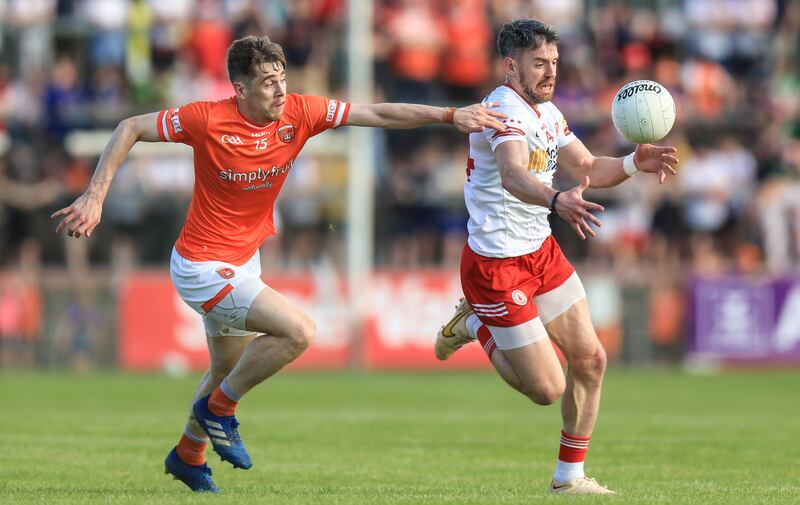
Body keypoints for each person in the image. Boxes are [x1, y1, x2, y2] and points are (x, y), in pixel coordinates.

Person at [51, 35, 506, 493]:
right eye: (268, 83)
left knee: (223, 369)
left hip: (244, 262)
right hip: (200, 266)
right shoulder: (206, 119)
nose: (280, 90)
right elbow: (129, 126)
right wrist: (95, 195)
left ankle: (188, 455)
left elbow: (378, 114)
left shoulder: (300, 113)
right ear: (240, 89)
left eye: (282, 78)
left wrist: (450, 116)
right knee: (299, 331)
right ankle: (219, 410)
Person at [435, 19, 679, 495]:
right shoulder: (501, 110)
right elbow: (510, 174)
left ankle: (569, 478)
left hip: (540, 254)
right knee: (547, 390)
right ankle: (474, 326)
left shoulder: (546, 112)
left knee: (590, 360)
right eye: (539, 64)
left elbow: (587, 166)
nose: (550, 73)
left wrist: (633, 163)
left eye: (554, 63)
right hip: (496, 265)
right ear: (511, 66)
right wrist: (555, 200)